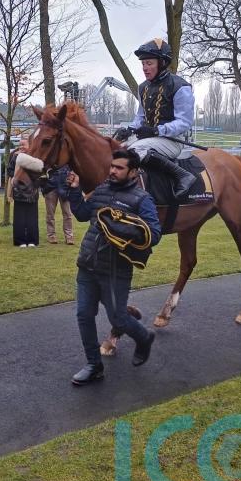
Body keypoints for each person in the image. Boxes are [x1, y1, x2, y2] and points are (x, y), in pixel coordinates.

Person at [65, 148, 162, 385]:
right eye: (112, 166)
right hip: (87, 264)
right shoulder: (101, 190)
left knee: (118, 319)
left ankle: (144, 337)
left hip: (116, 271)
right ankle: (93, 365)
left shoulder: (142, 199)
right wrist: (75, 190)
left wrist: (122, 228)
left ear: (133, 172)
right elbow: (80, 214)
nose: (113, 171)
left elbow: (155, 233)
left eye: (119, 168)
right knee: (83, 315)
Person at [114, 39, 196, 199]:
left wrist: (157, 130)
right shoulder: (143, 87)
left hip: (172, 140)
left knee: (135, 150)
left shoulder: (180, 87)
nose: (145, 68)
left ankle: (183, 175)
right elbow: (140, 116)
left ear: (162, 63)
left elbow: (184, 123)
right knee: (116, 148)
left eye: (149, 63)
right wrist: (130, 129)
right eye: (143, 64)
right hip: (149, 138)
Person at [7, 136, 40, 248]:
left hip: (31, 191)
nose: (21, 147)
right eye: (20, 144)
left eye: (23, 145)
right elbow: (10, 172)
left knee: (32, 218)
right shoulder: (14, 156)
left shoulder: (35, 157)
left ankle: (32, 240)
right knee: (19, 218)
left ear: (29, 145)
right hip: (19, 191)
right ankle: (20, 241)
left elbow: (39, 172)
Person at [42, 164, 75, 245]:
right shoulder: (50, 155)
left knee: (67, 214)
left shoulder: (67, 156)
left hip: (65, 187)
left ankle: (69, 236)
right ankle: (51, 235)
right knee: (50, 214)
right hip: (50, 186)